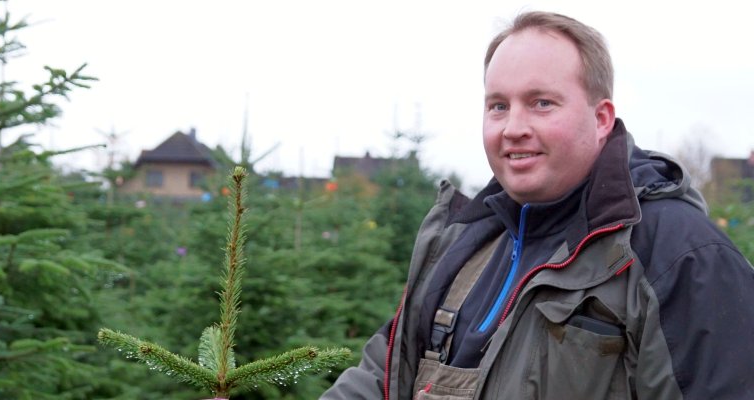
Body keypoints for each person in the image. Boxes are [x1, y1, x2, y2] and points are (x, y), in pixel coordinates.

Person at [321, 10, 754, 400]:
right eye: (498, 106)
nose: (513, 128)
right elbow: (383, 375)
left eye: (541, 103)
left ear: (602, 118)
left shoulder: (680, 255)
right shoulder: (464, 241)